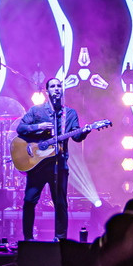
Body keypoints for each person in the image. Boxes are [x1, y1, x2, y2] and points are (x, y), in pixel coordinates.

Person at [17, 78, 90, 241]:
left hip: (59, 164)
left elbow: (76, 137)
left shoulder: (69, 114)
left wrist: (85, 131)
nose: (56, 89)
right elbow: (20, 128)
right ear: (47, 91)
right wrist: (38, 126)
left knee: (60, 203)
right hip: (37, 165)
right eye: (53, 86)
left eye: (59, 86)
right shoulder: (36, 111)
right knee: (29, 201)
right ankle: (28, 239)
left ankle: (60, 239)